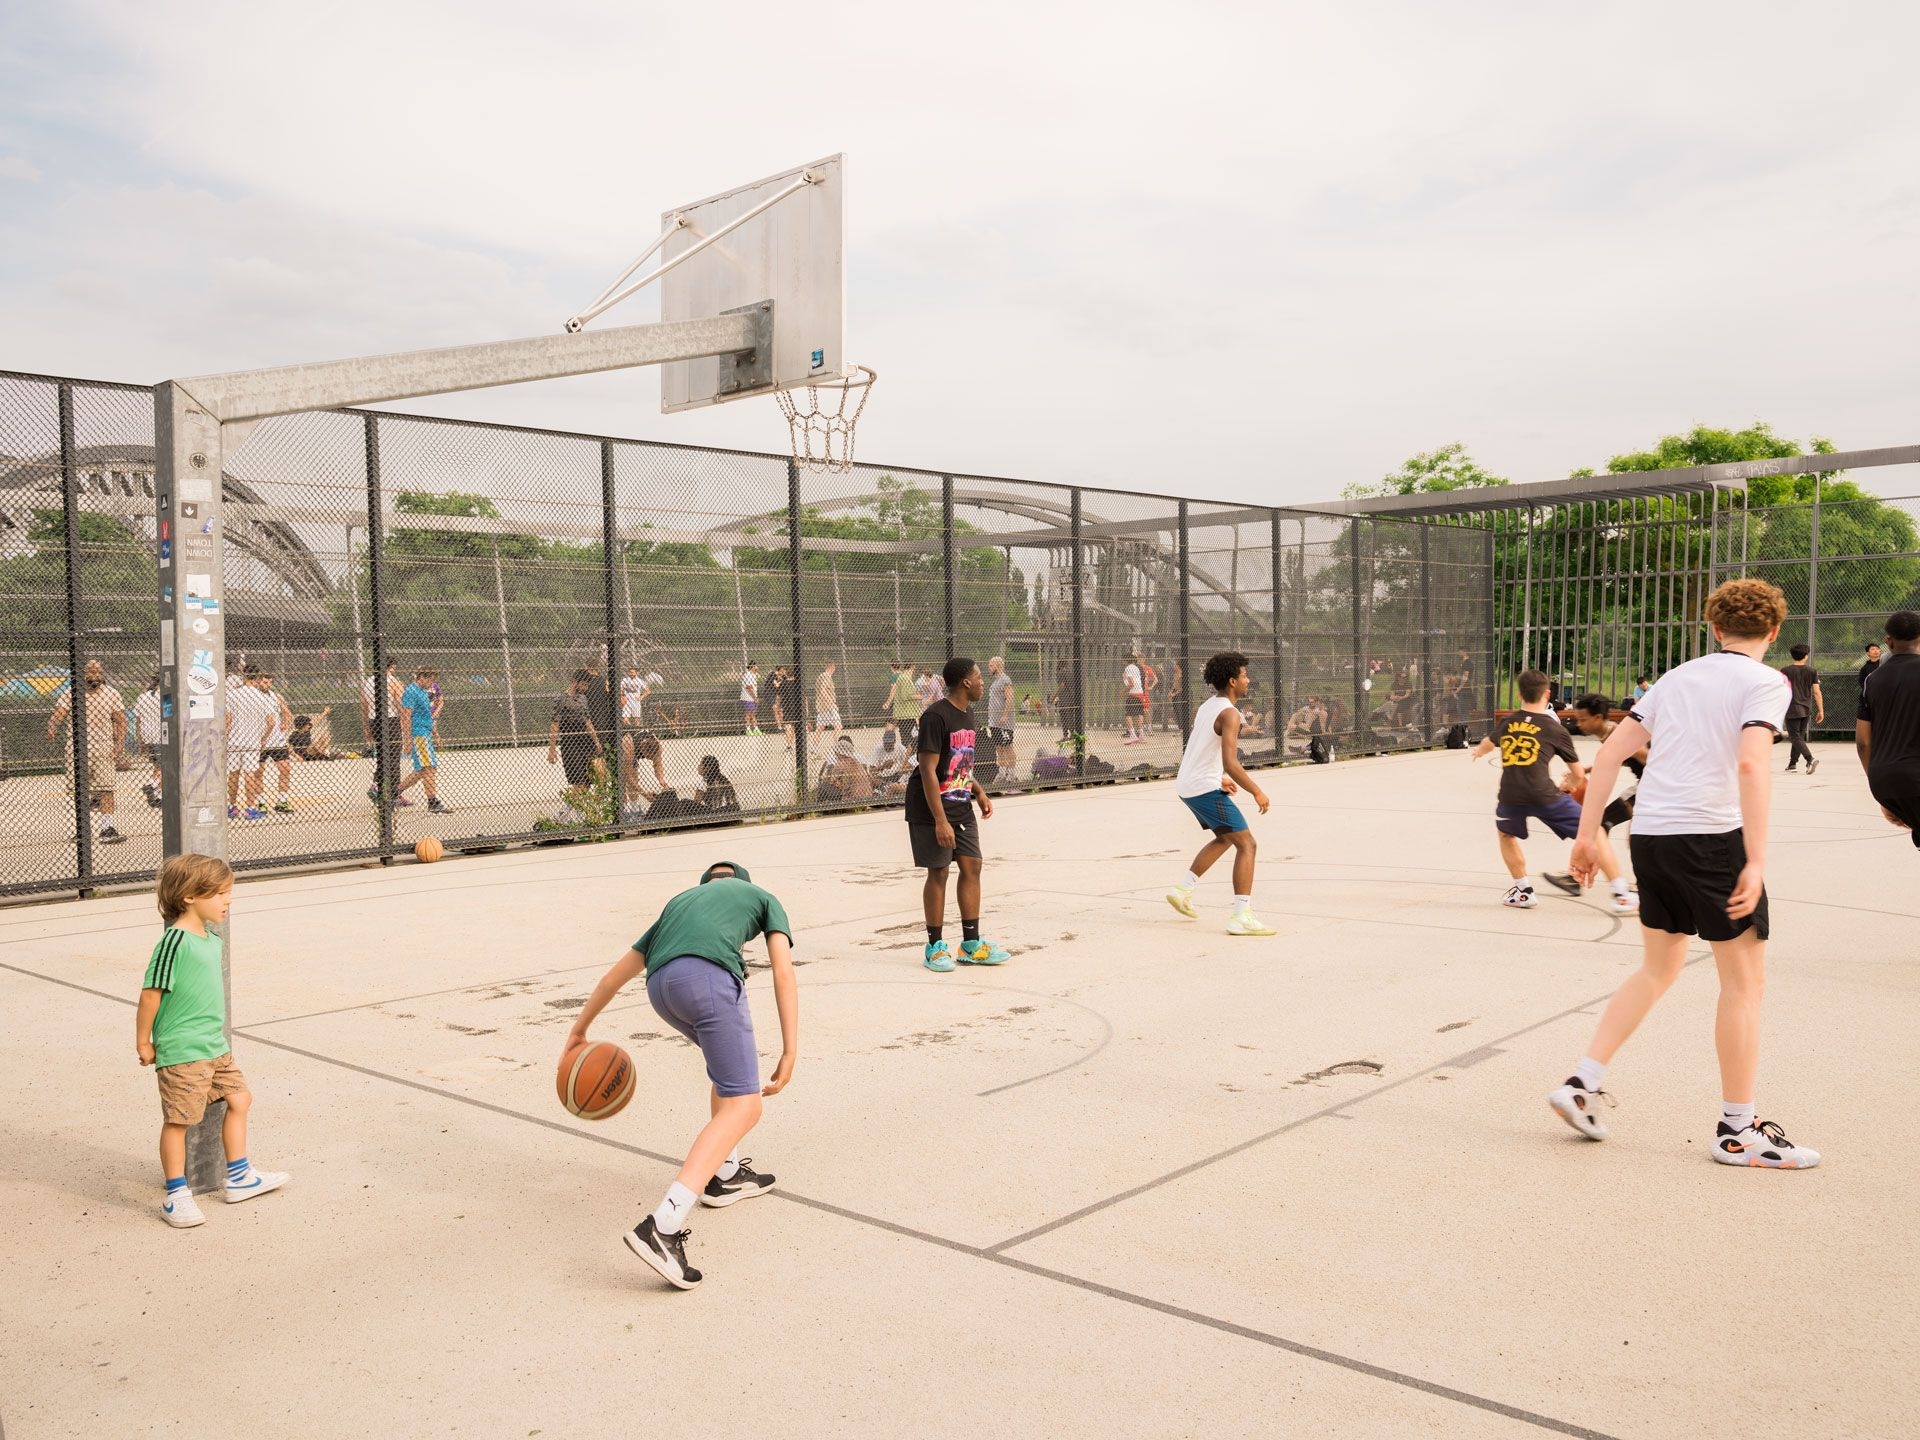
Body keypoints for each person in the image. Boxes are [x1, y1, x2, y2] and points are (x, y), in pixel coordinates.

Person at [1552, 578, 1819, 1169]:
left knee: (1659, 965)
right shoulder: (1765, 681)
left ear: (1714, 628)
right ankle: (1737, 1130)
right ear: (1773, 633)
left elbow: (1611, 756)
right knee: (1746, 984)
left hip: (1651, 837)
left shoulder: (1676, 678)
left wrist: (1587, 836)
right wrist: (1754, 856)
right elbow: (1752, 763)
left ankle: (1583, 1081)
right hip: (1710, 838)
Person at [564, 860, 797, 1289]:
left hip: (662, 987)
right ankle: (663, 1226)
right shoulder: (761, 896)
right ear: (742, 886)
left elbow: (614, 978)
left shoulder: (679, 905)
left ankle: (723, 1175)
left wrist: (579, 1029)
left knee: (728, 1076)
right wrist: (789, 1049)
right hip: (707, 980)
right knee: (746, 1106)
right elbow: (783, 970)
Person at [137, 853, 289, 1228]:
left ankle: (238, 1176)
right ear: (190, 895)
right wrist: (143, 1041)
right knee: (179, 1120)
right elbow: (150, 994)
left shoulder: (211, 939)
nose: (227, 901)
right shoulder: (174, 942)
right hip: (183, 1048)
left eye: (228, 893)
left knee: (240, 1098)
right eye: (219, 894)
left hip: (214, 1045)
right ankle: (177, 1195)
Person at [1470, 670, 1635, 913]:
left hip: (1510, 795)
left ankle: (1523, 890)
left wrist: (1479, 753)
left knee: (1506, 835)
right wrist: (1571, 784)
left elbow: (1488, 743)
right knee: (1595, 831)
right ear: (1547, 694)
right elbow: (1578, 773)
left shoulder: (1507, 722)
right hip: (1543, 794)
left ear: (1519, 695)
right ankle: (1621, 893)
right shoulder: (1554, 729)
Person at [908, 657, 1009, 972]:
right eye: (978, 676)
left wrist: (977, 791)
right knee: (938, 872)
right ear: (966, 682)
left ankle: (970, 944)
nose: (982, 681)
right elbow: (927, 770)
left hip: (960, 801)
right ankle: (935, 947)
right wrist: (940, 820)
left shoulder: (968, 713)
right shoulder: (935, 717)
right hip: (930, 807)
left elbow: (960, 761)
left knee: (972, 866)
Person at [1165, 652, 1276, 936]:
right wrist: (1257, 791)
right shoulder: (1230, 713)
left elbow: (1202, 749)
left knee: (1227, 838)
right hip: (1202, 788)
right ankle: (1241, 916)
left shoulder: (1208, 706)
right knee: (1247, 844)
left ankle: (1182, 890)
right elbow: (1231, 760)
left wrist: (1219, 778)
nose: (1247, 680)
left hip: (1190, 785)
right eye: (1244, 676)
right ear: (1232, 681)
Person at [1855, 610, 1920, 845]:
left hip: (1885, 780)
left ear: (1888, 641)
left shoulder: (1873, 680)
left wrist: (1881, 789)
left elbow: (1863, 742)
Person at [49, 658, 127, 845]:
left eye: (99, 672)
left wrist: (119, 744)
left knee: (106, 787)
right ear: (83, 674)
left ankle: (107, 828)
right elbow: (58, 715)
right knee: (79, 789)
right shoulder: (72, 693)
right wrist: (52, 725)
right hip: (77, 747)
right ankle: (82, 828)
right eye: (91, 672)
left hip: (103, 747)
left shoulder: (111, 694)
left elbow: (121, 720)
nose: (96, 676)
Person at [1562, 693, 1647, 842]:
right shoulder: (1609, 733)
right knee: (1607, 826)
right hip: (1647, 785)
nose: (1578, 724)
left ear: (1598, 718)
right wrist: (1586, 770)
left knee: (1604, 825)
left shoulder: (1617, 735)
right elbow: (1614, 760)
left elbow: (1648, 758)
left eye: (1583, 720)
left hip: (1651, 784)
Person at [549, 669, 604, 814]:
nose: (585, 689)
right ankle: (568, 813)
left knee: (587, 781)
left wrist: (596, 741)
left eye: (587, 686)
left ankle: (574, 812)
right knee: (577, 781)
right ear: (575, 682)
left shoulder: (583, 698)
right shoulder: (561, 699)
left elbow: (587, 721)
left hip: (586, 742)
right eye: (584, 685)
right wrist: (552, 749)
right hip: (570, 742)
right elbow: (554, 724)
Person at [396, 667, 451, 813]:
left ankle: (395, 793)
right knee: (429, 768)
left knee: (421, 770)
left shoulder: (423, 692)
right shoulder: (411, 691)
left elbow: (427, 716)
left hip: (425, 733)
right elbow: (406, 716)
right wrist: (407, 740)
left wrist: (435, 734)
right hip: (418, 734)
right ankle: (432, 801)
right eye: (431, 680)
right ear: (422, 677)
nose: (432, 683)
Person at [224, 668, 274, 821]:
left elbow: (228, 719)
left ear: (243, 676)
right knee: (250, 773)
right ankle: (250, 808)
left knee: (233, 773)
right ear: (258, 678)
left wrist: (225, 737)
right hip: (252, 741)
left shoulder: (232, 694)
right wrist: (263, 737)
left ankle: (231, 806)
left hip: (234, 740)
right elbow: (271, 722)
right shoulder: (261, 697)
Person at [362, 661, 410, 808]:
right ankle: (394, 794)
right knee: (394, 756)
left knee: (383, 757)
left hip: (374, 721)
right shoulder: (392, 681)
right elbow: (401, 704)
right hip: (390, 720)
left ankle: (377, 785)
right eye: (393, 668)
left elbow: (364, 705)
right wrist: (406, 725)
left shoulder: (368, 682)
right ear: (389, 667)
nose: (394, 671)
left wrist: (367, 728)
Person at [255, 671, 297, 814]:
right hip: (259, 741)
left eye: (270, 682)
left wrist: (285, 723)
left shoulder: (276, 696)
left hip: (277, 740)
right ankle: (261, 803)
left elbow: (287, 713)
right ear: (258, 681)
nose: (268, 685)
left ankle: (282, 801)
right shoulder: (252, 696)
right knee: (259, 772)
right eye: (265, 682)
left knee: (285, 769)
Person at [134, 673, 165, 808]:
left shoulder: (143, 697)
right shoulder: (166, 697)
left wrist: (140, 739)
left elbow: (138, 720)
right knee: (164, 766)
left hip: (147, 735)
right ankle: (152, 786)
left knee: (158, 766)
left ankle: (158, 796)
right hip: (162, 735)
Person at [816, 735, 873, 804]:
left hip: (851, 798)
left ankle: (820, 807)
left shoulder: (840, 764)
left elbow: (832, 782)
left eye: (836, 751)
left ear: (838, 752)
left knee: (823, 786)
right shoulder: (856, 762)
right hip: (867, 797)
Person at [985, 655, 1016, 777]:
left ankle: (1012, 773)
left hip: (1004, 721)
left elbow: (1010, 698)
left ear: (998, 665)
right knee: (999, 746)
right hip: (994, 721)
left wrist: (1004, 715)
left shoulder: (1005, 679)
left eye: (991, 665)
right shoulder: (995, 682)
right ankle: (1002, 772)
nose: (989, 667)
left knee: (1007, 745)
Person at [1121, 654, 1147, 744]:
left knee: (1128, 715)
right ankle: (1141, 735)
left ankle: (1133, 735)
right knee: (1139, 714)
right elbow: (1136, 681)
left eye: (1123, 660)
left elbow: (1131, 684)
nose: (1122, 661)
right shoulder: (1136, 667)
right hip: (1140, 692)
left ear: (1125, 660)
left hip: (1133, 693)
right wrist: (1125, 679)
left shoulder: (1128, 668)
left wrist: (1123, 691)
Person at [813, 661, 842, 742]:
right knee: (838, 726)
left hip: (821, 707)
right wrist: (831, 703)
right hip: (829, 707)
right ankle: (836, 747)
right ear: (832, 667)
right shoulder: (826, 676)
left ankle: (814, 748)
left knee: (819, 729)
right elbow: (823, 690)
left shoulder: (821, 676)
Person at [739, 661, 761, 735]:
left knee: (753, 713)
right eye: (756, 666)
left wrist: (755, 697)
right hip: (748, 697)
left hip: (753, 697)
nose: (757, 667)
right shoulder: (747, 675)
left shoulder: (753, 675)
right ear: (752, 666)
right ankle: (748, 729)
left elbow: (754, 686)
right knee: (748, 713)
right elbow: (748, 688)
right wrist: (755, 698)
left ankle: (755, 729)